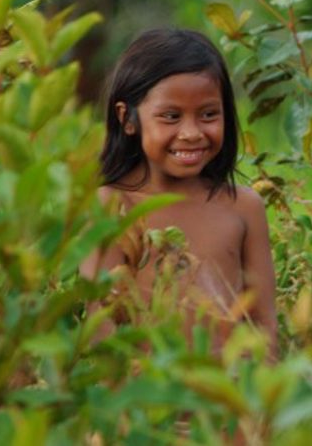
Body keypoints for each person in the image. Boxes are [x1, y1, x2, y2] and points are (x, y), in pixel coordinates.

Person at [80, 27, 278, 360]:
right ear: (127, 118)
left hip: (230, 390)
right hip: (145, 391)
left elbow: (264, 326)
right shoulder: (112, 205)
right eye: (171, 117)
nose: (191, 133)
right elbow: (101, 329)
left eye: (208, 114)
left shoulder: (243, 207)